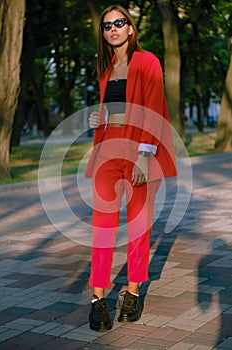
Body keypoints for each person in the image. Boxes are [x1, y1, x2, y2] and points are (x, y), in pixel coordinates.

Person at [85, 5, 177, 332]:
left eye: (119, 23)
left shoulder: (148, 61)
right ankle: (98, 297)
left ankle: (134, 290)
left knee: (139, 224)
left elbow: (152, 107)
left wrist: (144, 155)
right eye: (107, 25)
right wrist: (98, 118)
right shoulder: (105, 66)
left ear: (130, 28)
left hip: (139, 149)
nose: (113, 29)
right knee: (103, 224)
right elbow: (111, 108)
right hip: (108, 149)